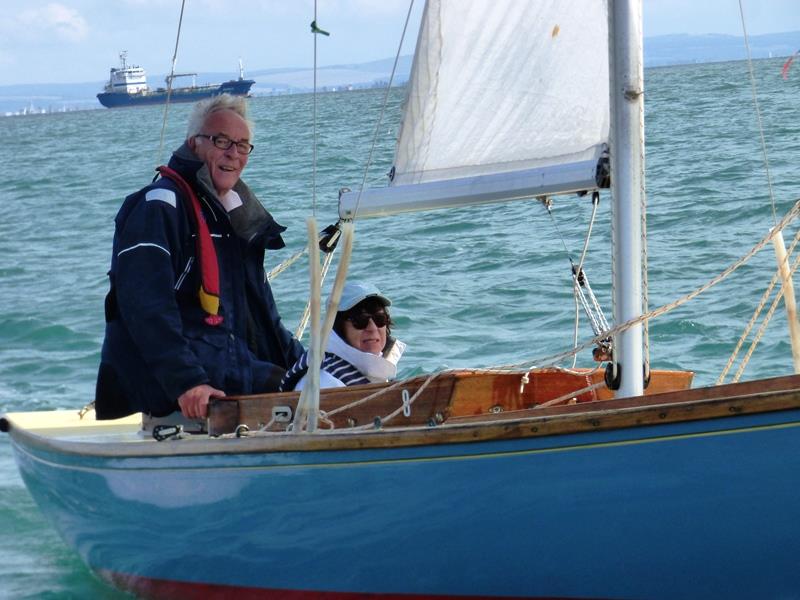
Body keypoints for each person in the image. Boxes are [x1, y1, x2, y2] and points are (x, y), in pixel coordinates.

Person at [95, 94, 304, 420]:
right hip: (184, 395)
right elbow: (145, 307)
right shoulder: (158, 207)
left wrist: (307, 369)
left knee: (324, 388)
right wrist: (187, 383)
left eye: (243, 145)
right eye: (222, 141)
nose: (233, 153)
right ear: (194, 144)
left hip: (236, 377)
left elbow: (265, 322)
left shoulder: (236, 222)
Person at [280, 282, 406, 391]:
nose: (372, 328)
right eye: (360, 320)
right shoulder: (324, 382)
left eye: (380, 318)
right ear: (337, 327)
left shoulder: (375, 370)